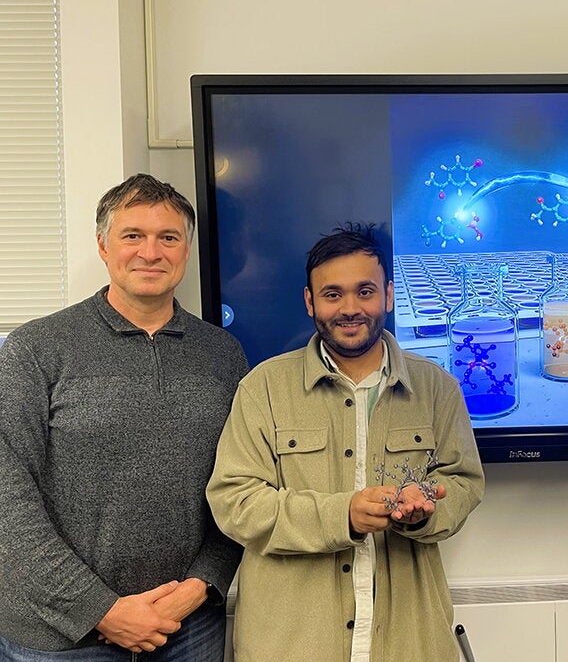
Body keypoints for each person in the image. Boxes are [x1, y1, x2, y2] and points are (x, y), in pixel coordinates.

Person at [206, 224, 485, 662]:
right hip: (291, 644)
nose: (350, 308)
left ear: (389, 296)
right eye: (333, 294)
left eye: (365, 291)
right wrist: (344, 515)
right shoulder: (263, 388)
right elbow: (235, 502)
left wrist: (423, 512)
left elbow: (463, 483)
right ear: (309, 301)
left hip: (410, 643)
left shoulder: (438, 389)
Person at [0, 174, 248, 660]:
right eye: (132, 235)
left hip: (189, 627)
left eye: (168, 237)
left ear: (186, 250)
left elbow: (241, 482)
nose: (150, 252)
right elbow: (8, 495)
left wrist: (202, 585)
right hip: (61, 637)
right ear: (103, 246)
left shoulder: (223, 354)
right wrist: (100, 609)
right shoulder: (37, 348)